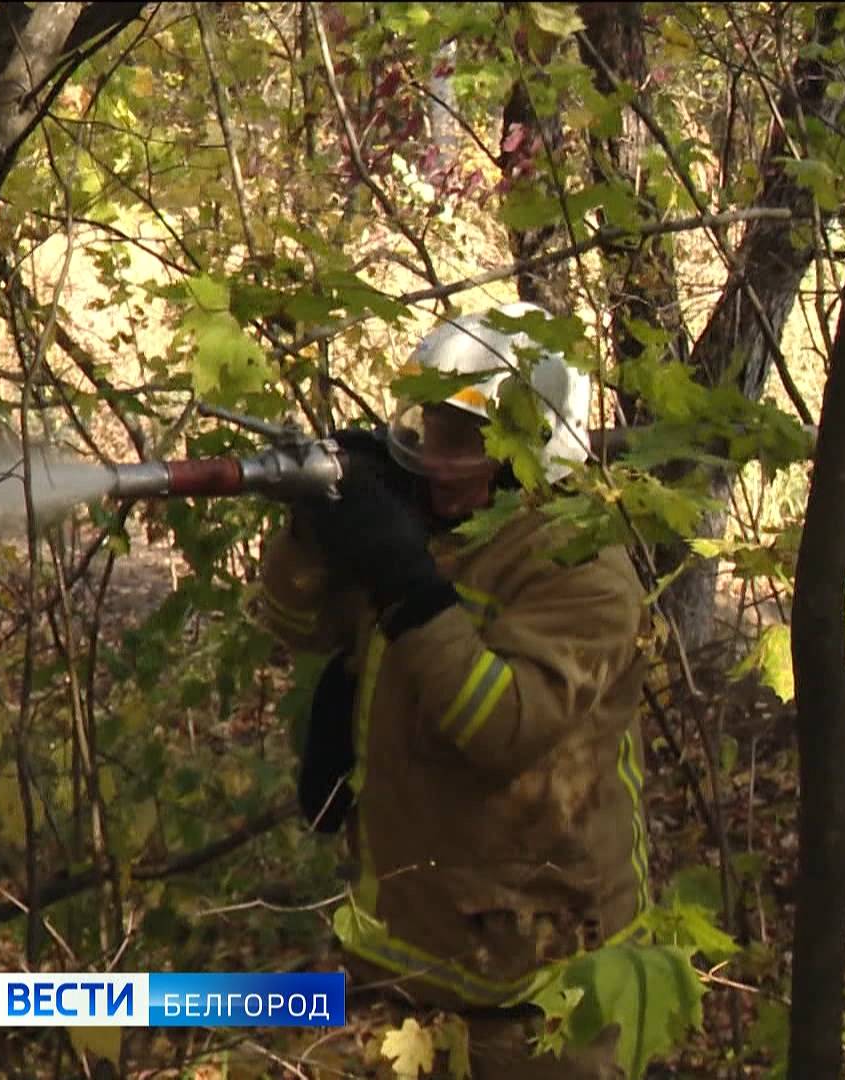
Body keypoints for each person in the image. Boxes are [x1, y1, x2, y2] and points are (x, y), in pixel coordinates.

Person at [250, 301, 650, 1078]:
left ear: (532, 449)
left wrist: (409, 584)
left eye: (464, 441)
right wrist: (317, 527)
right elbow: (294, 626)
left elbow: (503, 727)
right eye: (429, 430)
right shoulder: (433, 529)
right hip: (408, 967)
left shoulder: (581, 566)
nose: (436, 458)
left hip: (543, 998)